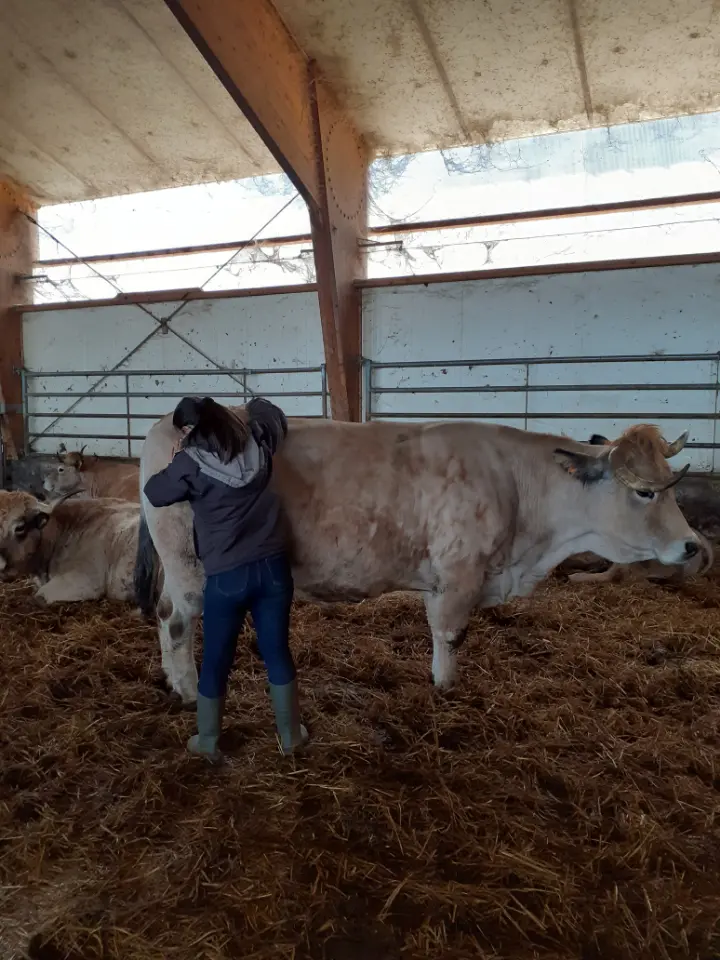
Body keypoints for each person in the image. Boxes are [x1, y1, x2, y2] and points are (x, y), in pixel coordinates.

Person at [143, 395, 308, 762]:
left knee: (218, 659)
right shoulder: (259, 442)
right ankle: (290, 736)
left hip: (227, 577)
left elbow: (155, 493)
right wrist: (249, 408)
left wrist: (175, 459)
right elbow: (271, 413)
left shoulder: (189, 463)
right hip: (274, 569)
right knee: (277, 651)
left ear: (190, 430)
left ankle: (208, 740)